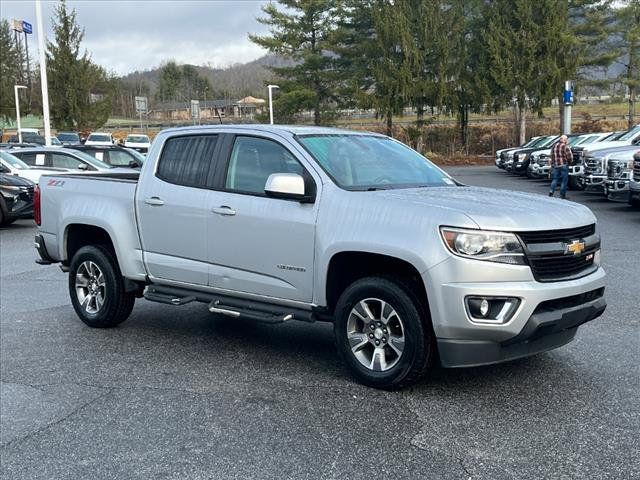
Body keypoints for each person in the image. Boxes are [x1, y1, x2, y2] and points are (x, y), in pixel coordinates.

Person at [549, 134, 572, 199]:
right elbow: (569, 156)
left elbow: (551, 155)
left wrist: (553, 164)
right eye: (566, 139)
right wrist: (570, 162)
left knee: (555, 179)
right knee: (564, 181)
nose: (566, 141)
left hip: (556, 165)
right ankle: (562, 195)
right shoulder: (565, 146)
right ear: (565, 140)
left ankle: (551, 191)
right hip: (564, 165)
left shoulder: (554, 146)